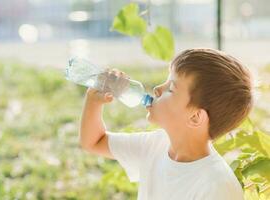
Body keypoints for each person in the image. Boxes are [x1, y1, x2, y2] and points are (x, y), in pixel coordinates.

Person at [79, 48, 253, 200]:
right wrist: (93, 101)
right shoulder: (155, 145)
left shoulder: (217, 186)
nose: (157, 89)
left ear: (195, 117)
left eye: (171, 88)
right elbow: (94, 141)